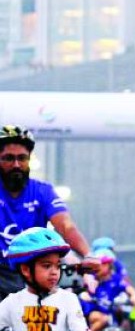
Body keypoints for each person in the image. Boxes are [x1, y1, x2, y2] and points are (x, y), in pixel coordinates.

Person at [0, 126, 96, 298]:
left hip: (31, 274)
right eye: (8, 158)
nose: (16, 165)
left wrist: (88, 255)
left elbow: (65, 226)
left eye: (22, 158)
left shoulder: (43, 191)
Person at [80, 248, 135, 331]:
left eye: (102, 264)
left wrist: (134, 295)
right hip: (93, 311)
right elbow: (84, 292)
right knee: (103, 319)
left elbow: (129, 288)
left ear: (109, 265)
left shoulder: (116, 279)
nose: (98, 267)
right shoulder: (92, 279)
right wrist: (85, 295)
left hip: (111, 313)